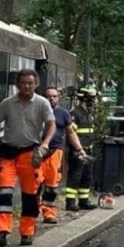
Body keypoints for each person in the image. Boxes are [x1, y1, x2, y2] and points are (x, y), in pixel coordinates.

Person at [0, 69, 55, 247]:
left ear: (36, 84)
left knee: (30, 195)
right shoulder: (7, 103)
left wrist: (45, 143)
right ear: (17, 84)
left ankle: (27, 232)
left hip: (30, 153)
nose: (26, 86)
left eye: (30, 83)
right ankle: (0, 232)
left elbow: (51, 125)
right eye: (23, 83)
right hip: (8, 152)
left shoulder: (42, 103)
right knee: (4, 191)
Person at [39, 86, 86, 224]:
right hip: (36, 152)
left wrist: (79, 149)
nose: (52, 98)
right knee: (34, 184)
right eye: (49, 96)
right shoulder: (36, 110)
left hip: (55, 152)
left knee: (52, 185)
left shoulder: (63, 113)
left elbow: (71, 133)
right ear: (43, 97)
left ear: (58, 98)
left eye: (54, 96)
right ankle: (32, 212)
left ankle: (48, 214)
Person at [66, 88, 98, 211]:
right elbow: (71, 133)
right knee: (75, 176)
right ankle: (70, 202)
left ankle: (84, 201)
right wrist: (77, 149)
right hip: (78, 151)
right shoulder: (75, 113)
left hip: (88, 150)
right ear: (85, 99)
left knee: (87, 177)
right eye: (93, 98)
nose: (94, 101)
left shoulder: (88, 113)